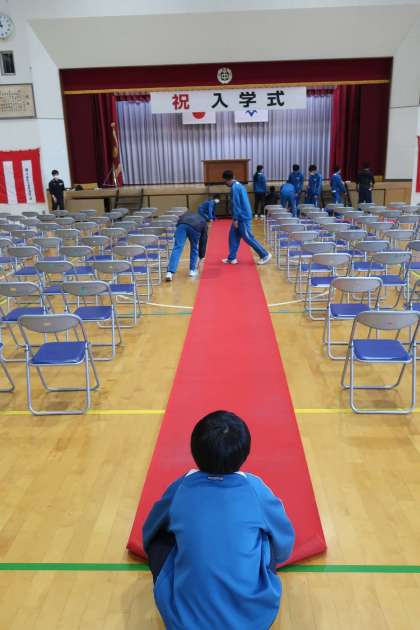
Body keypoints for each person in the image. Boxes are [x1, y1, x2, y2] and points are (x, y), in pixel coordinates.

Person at [143, 410, 295, 630]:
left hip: (184, 623)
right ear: (245, 453)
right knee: (266, 536)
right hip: (253, 621)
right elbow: (284, 542)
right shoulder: (255, 488)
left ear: (194, 450)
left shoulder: (181, 487)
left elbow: (150, 530)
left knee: (161, 537)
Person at [222, 170, 271, 265]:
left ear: (226, 180)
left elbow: (236, 204)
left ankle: (265, 254)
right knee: (233, 235)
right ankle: (232, 258)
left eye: (224, 181)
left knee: (247, 237)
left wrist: (235, 219)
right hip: (241, 215)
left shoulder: (235, 188)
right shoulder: (239, 185)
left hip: (242, 217)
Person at [166, 210, 208, 281]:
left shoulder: (187, 214)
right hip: (195, 227)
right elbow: (203, 240)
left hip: (182, 225)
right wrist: (201, 256)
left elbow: (178, 223)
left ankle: (169, 272)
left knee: (177, 247)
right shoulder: (204, 222)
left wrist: (176, 235)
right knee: (194, 248)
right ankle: (192, 270)